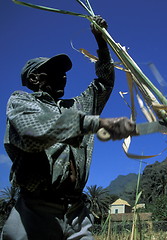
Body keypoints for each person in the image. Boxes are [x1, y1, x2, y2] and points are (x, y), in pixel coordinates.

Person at [1, 16, 135, 240]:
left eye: (63, 72)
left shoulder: (76, 106)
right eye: (53, 71)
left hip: (76, 212)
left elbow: (104, 83)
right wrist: (95, 123)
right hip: (36, 211)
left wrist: (101, 41)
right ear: (34, 79)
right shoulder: (22, 102)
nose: (63, 76)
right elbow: (34, 134)